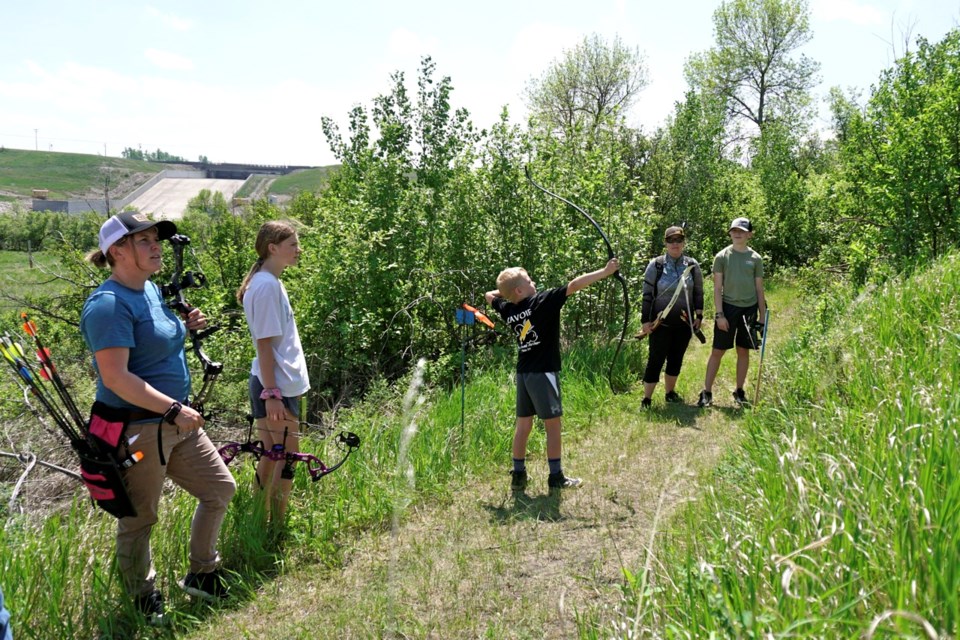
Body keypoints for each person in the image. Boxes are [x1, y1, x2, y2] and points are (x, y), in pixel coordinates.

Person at [80, 210, 237, 623]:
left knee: (219, 488)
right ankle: (142, 599)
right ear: (117, 250)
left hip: (177, 423)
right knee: (139, 518)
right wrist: (172, 408)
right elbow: (115, 377)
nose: (156, 247)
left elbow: (157, 340)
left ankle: (202, 575)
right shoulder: (109, 305)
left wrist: (186, 324)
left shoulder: (148, 290)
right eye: (145, 241)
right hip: (139, 429)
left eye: (157, 240)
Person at [485, 258, 620, 491]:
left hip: (524, 374)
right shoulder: (541, 302)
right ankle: (556, 477)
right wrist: (605, 272)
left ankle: (518, 475)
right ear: (520, 289)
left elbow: (489, 295)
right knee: (553, 425)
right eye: (528, 281)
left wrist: (508, 291)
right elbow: (574, 285)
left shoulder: (509, 308)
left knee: (523, 426)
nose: (533, 282)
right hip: (543, 372)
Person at [236, 221, 310, 522]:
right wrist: (272, 394)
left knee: (272, 455)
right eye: (292, 244)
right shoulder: (265, 286)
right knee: (286, 458)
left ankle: (258, 518)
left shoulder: (269, 282)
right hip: (275, 387)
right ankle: (278, 525)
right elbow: (264, 346)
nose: (298, 249)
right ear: (273, 248)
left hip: (277, 384)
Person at [697, 217, 766, 407]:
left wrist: (762, 315)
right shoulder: (722, 257)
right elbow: (717, 288)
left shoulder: (756, 259)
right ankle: (707, 392)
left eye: (742, 231)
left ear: (749, 235)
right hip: (727, 308)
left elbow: (759, 289)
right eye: (734, 230)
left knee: (743, 350)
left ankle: (739, 390)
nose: (737, 234)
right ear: (730, 233)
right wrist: (719, 315)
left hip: (749, 309)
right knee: (718, 351)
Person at [638, 226, 704, 407]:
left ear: (684, 242)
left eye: (678, 240)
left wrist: (699, 315)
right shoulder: (656, 265)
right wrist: (645, 321)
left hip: (684, 323)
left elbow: (698, 292)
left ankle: (670, 393)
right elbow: (647, 295)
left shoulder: (692, 265)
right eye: (671, 240)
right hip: (660, 324)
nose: (675, 244)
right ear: (665, 243)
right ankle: (647, 399)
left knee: (676, 359)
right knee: (655, 360)